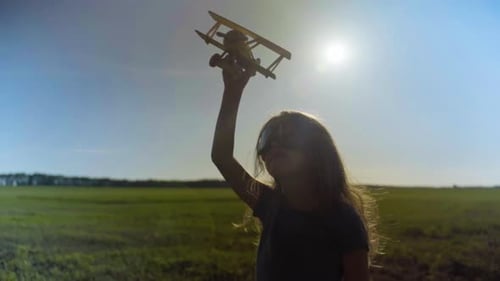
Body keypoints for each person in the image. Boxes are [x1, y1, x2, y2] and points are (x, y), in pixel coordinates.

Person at [211, 64, 379, 281]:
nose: (275, 147)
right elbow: (222, 157)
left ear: (317, 150)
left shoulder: (344, 219)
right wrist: (233, 91)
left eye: (290, 139)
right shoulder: (270, 205)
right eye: (267, 141)